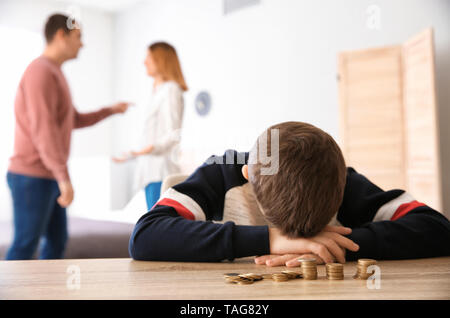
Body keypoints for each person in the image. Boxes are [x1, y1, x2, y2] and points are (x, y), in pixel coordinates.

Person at [128, 121, 450, 265]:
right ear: (249, 176)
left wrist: (332, 248)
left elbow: (438, 229)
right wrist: (270, 239)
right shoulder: (219, 172)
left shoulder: (339, 178)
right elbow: (145, 236)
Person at [6, 14, 131, 260]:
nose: (82, 44)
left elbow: (72, 120)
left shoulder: (55, 73)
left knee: (57, 241)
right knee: (25, 245)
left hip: (46, 174)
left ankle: (45, 294)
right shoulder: (40, 72)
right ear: (61, 36)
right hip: (32, 176)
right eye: (78, 37)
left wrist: (110, 110)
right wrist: (63, 177)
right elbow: (44, 130)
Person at [113, 42, 187, 210]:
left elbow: (173, 134)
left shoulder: (171, 90)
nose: (144, 62)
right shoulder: (157, 92)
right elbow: (152, 136)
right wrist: (133, 154)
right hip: (150, 172)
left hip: (161, 173)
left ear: (161, 60)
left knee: (158, 229)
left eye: (148, 57)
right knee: (154, 228)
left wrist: (141, 151)